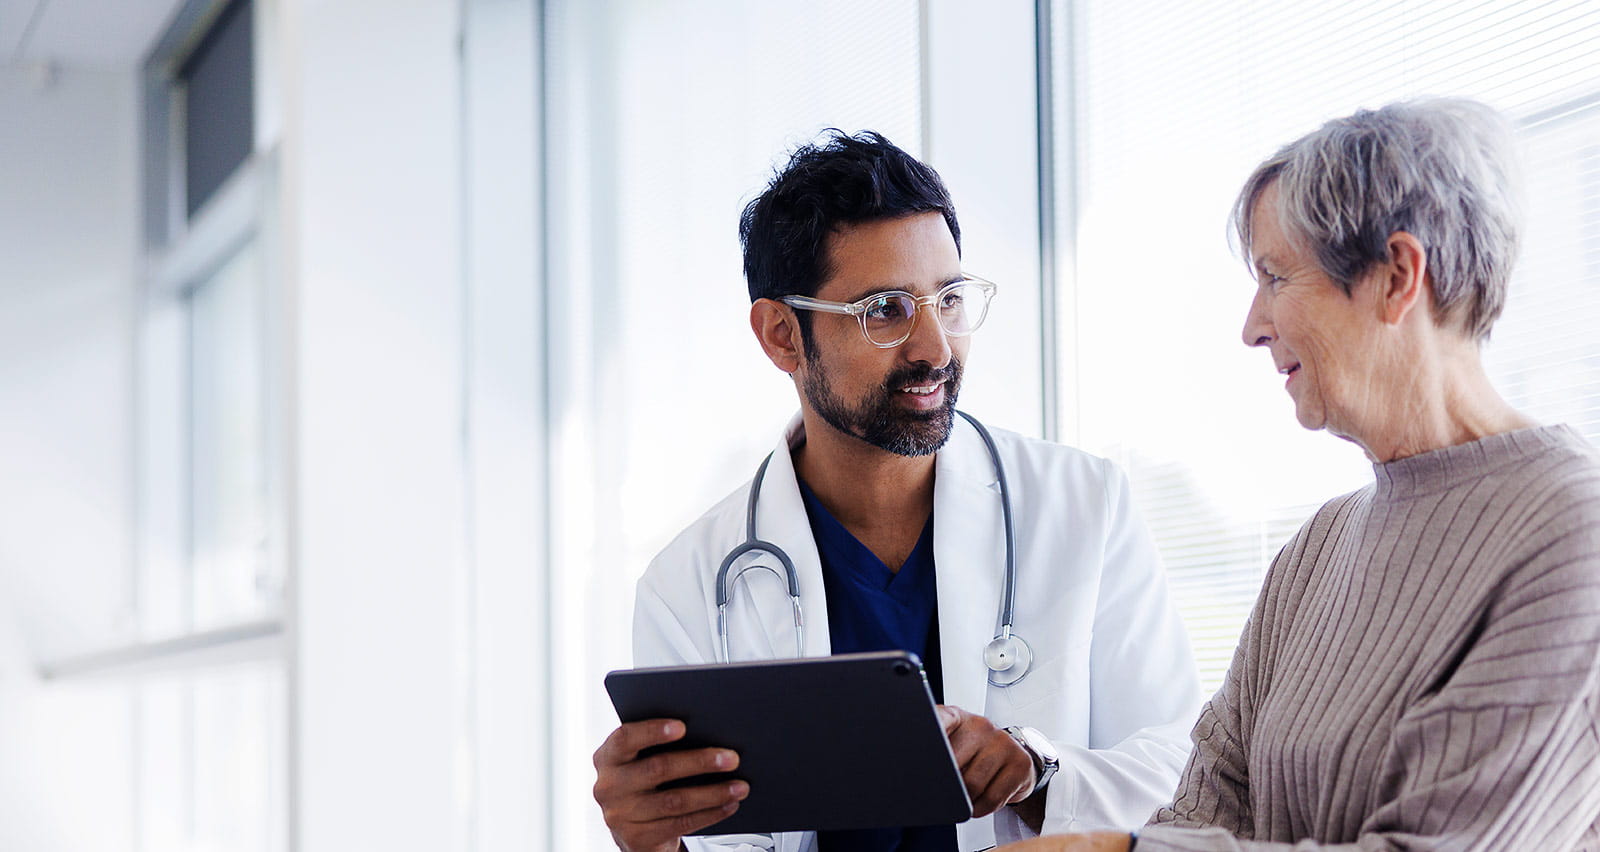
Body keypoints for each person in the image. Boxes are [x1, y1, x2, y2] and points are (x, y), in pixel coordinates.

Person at [997, 99, 1600, 852]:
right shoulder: (1318, 549)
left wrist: (1116, 851)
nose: (1251, 325)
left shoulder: (1571, 534)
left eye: (1276, 276)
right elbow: (1202, 811)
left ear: (1395, 278)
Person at [591, 130, 1203, 852]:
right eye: (884, 309)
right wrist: (656, 843)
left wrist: (1039, 772)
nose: (936, 348)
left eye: (947, 298)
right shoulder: (688, 588)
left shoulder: (1084, 506)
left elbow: (1186, 779)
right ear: (782, 335)